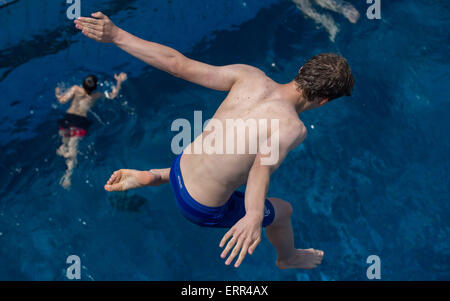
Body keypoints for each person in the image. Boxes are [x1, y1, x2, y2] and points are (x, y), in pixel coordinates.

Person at [75, 12, 354, 269]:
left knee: (225, 148)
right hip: (199, 207)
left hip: (179, 166)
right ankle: (288, 258)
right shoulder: (293, 127)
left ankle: (156, 175)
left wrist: (116, 35)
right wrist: (254, 216)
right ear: (324, 100)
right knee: (283, 211)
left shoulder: (250, 76)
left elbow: (177, 64)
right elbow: (261, 167)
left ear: (303, 67)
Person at [56, 73, 128, 189]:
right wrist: (119, 81)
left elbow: (62, 101)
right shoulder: (97, 95)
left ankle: (63, 150)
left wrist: (58, 92)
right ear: (95, 87)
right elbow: (113, 95)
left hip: (68, 119)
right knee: (73, 149)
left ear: (83, 84)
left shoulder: (75, 89)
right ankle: (68, 176)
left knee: (64, 144)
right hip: (80, 123)